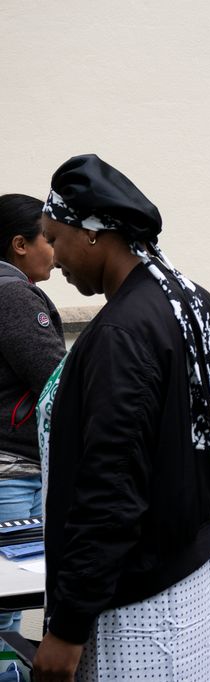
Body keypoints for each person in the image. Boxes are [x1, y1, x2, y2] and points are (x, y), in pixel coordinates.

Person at [32, 154, 210, 681]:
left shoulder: (121, 334)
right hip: (193, 571)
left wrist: (68, 625)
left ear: (95, 235)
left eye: (56, 239)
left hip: (138, 606)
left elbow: (110, 485)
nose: (52, 260)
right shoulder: (193, 302)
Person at [0, 193, 65, 634]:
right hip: (12, 476)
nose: (57, 253)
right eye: (49, 239)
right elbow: (56, 384)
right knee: (5, 612)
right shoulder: (16, 296)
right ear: (20, 244)